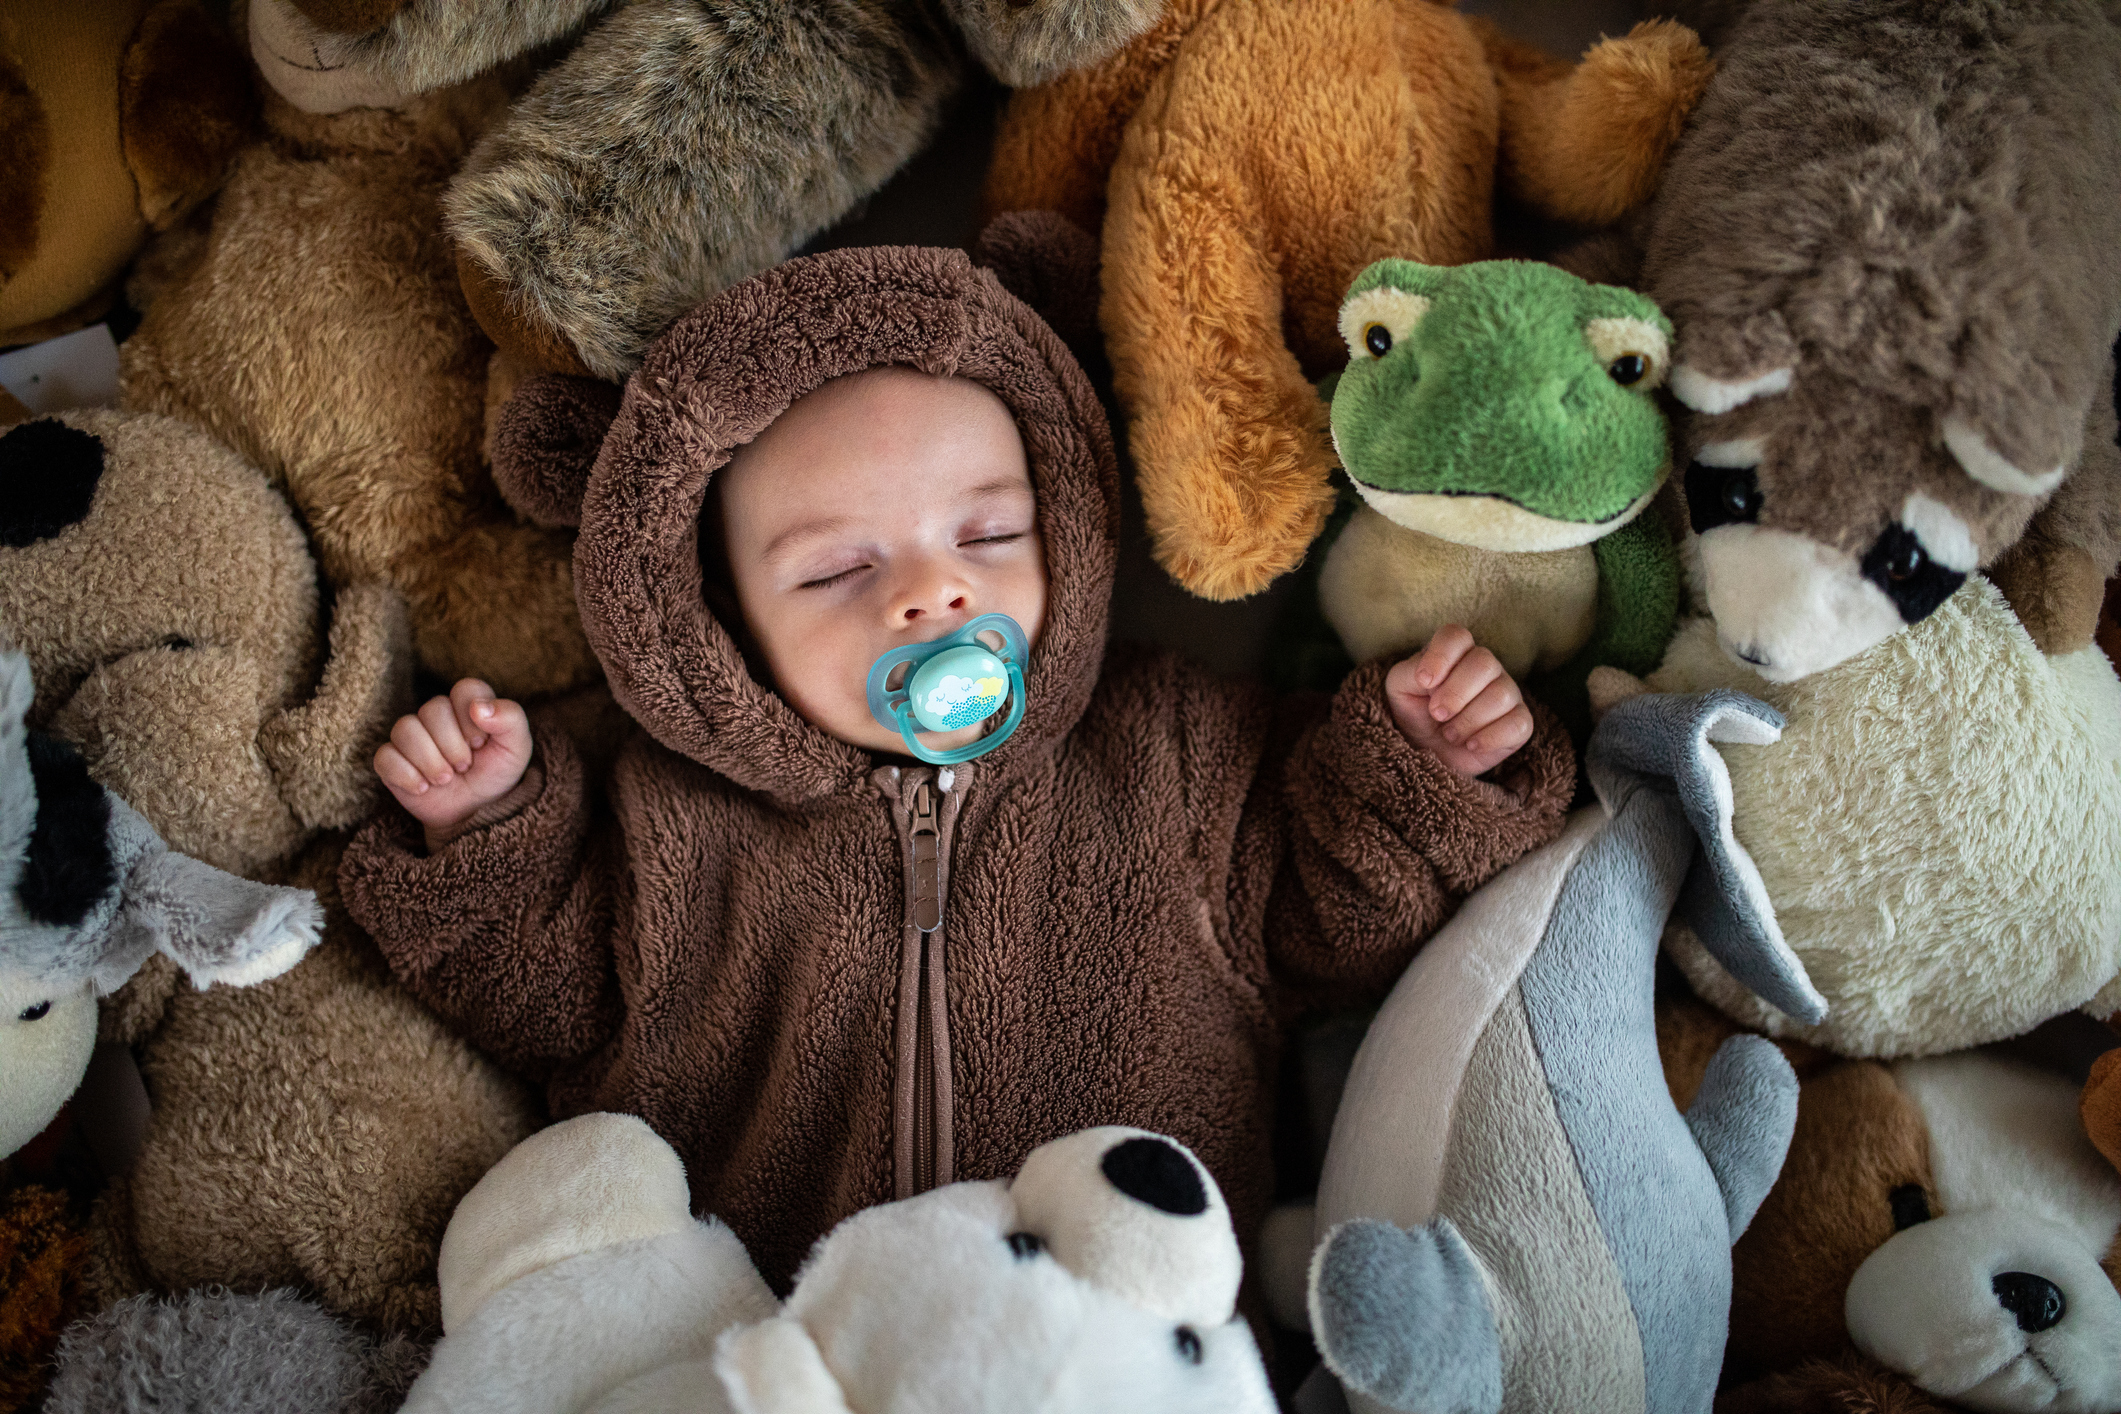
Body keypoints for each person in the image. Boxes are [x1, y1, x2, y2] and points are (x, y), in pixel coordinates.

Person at [341, 243, 1575, 1293]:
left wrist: (1418, 768)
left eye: (987, 534)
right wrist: (487, 828)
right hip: (773, 1350)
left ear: (1067, 532)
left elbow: (1338, 914)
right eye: (835, 570)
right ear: (720, 614)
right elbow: (539, 991)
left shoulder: (1172, 751)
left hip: (1115, 1348)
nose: (936, 590)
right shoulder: (659, 811)